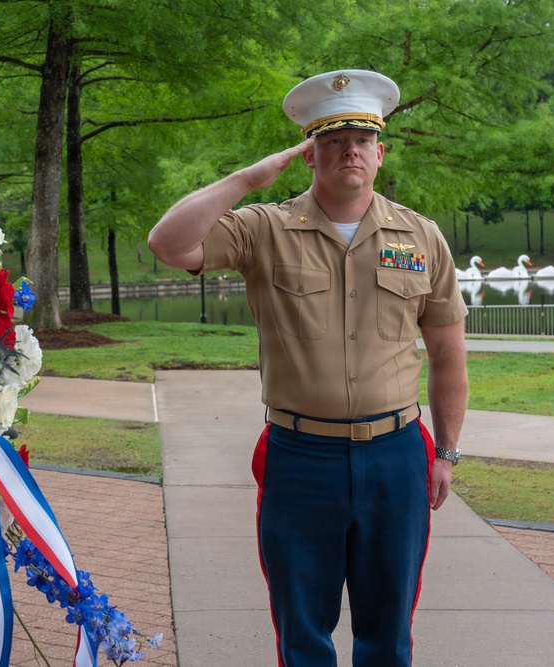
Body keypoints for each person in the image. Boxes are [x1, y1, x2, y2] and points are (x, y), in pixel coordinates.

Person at [147, 70, 468, 666]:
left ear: (380, 153)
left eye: (362, 139)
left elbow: (448, 355)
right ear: (308, 154)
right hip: (301, 459)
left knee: (389, 633)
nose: (350, 149)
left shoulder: (422, 237)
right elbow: (168, 243)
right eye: (333, 139)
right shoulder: (262, 229)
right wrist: (249, 177)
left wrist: (446, 451)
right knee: (302, 633)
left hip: (396, 456)